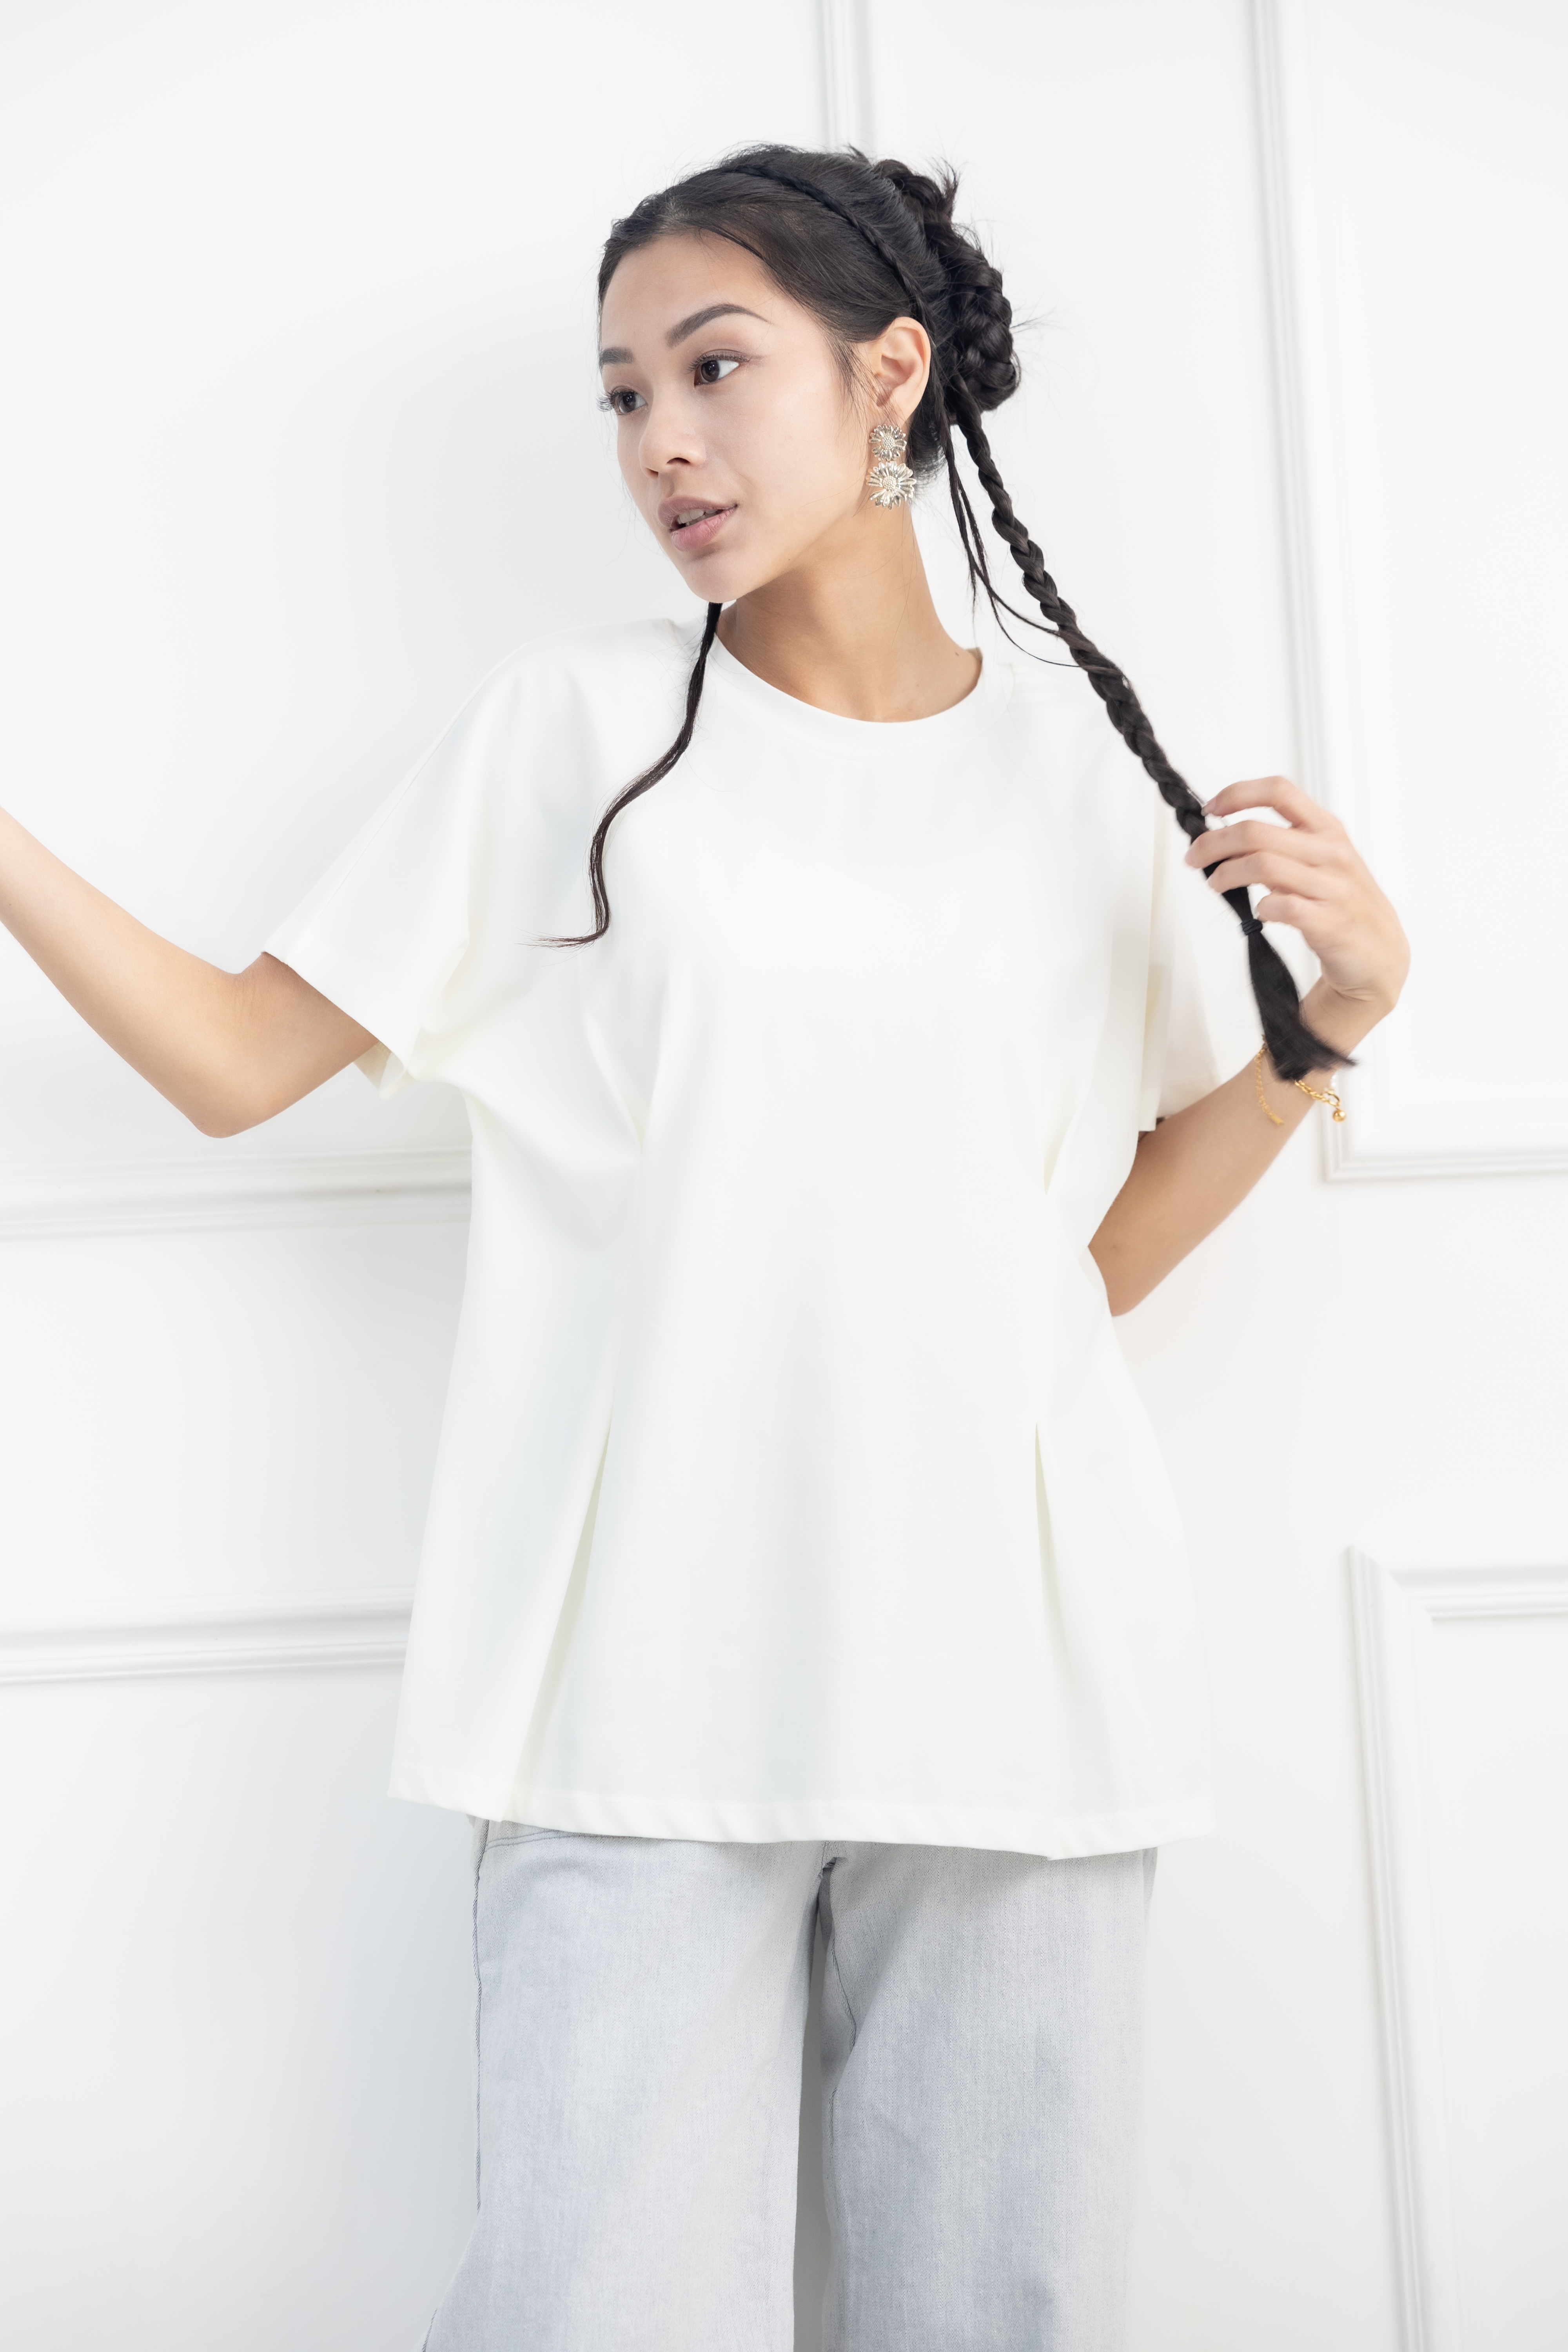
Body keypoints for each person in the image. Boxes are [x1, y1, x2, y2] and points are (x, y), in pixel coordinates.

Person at [0, 145, 1408, 2351]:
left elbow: (1094, 1256)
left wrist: (1335, 1026)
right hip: (642, 1683)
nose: (660, 438)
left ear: (890, 374)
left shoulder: (1080, 770)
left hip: (1018, 1690)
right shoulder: (572, 733)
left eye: (714, 367)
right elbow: (239, 1060)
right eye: (622, 394)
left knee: (1004, 2316)